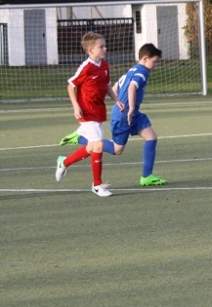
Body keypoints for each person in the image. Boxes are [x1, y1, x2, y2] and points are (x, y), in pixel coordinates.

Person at [60, 44, 168, 186]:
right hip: (125, 115)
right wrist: (129, 109)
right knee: (117, 150)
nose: (155, 65)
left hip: (130, 113)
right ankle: (81, 138)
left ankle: (147, 176)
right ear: (145, 58)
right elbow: (131, 87)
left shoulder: (132, 69)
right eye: (154, 61)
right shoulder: (143, 72)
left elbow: (116, 87)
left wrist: (120, 103)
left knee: (151, 137)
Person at [55, 32, 122, 197]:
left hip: (98, 110)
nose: (105, 49)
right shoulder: (86, 67)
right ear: (91, 50)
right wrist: (75, 106)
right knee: (98, 145)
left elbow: (106, 85)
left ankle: (64, 162)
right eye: (101, 46)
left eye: (104, 45)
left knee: (92, 147)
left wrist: (116, 100)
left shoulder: (104, 65)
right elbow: (71, 85)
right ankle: (97, 185)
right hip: (86, 111)